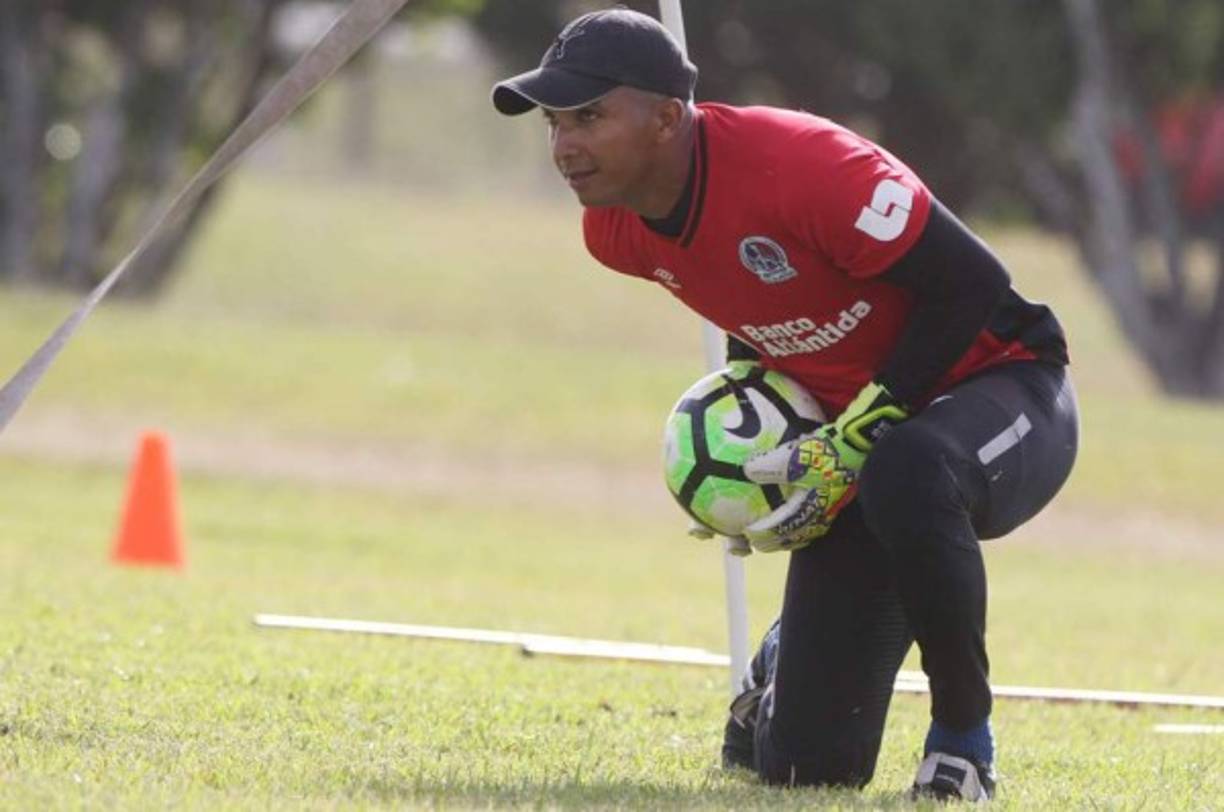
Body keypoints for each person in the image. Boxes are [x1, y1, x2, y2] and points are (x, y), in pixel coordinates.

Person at [491, 7, 1078, 802]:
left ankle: (962, 743)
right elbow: (754, 296)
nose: (564, 145)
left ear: (667, 118)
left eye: (588, 117)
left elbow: (971, 284)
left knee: (907, 465)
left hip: (1007, 387)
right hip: (865, 450)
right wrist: (752, 463)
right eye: (554, 123)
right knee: (807, 768)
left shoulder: (807, 164)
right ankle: (782, 657)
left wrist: (858, 433)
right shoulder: (615, 233)